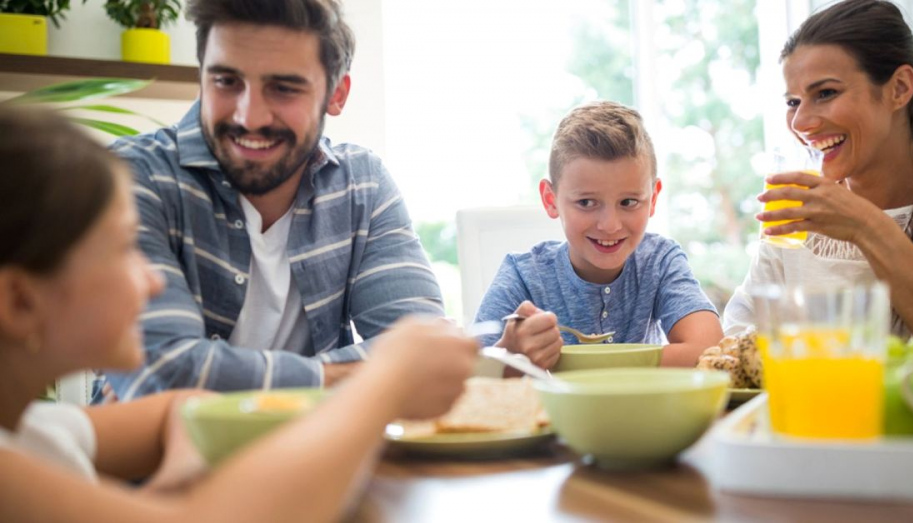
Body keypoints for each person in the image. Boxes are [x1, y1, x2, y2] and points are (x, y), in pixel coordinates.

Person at [0, 106, 478, 521]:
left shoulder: (36, 433)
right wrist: (382, 382)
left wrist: (179, 475)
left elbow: (180, 406)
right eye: (126, 248)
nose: (153, 279)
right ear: (20, 302)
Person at [103, 0, 444, 400]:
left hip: (325, 450)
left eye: (283, 88)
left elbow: (422, 347)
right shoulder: (130, 176)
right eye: (226, 82)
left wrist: (208, 373)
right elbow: (160, 376)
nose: (250, 117)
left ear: (336, 94)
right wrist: (353, 376)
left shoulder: (362, 185)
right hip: (156, 460)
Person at [723, 0, 913, 343]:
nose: (801, 122)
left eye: (825, 93)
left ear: (899, 88)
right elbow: (737, 337)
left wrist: (865, 226)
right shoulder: (799, 218)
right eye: (793, 101)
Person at [475, 101, 723, 368]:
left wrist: (583, 365)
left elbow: (709, 351)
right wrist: (509, 355)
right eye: (586, 203)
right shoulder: (523, 275)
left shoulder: (659, 260)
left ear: (653, 199)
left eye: (628, 202)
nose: (610, 225)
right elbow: (469, 375)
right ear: (551, 199)